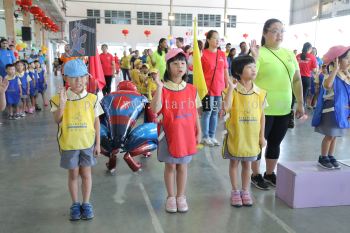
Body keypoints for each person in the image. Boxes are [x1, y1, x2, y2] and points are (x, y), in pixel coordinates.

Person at [249, 18, 304, 190]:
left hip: (284, 108)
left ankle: (270, 173)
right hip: (262, 109)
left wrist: (300, 103)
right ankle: (256, 174)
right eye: (274, 30)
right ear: (265, 33)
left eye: (281, 31)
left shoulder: (289, 54)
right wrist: (253, 58)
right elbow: (248, 77)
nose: (279, 34)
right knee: (258, 142)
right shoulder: (259, 53)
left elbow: (296, 80)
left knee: (275, 143)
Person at [50, 59, 103, 221]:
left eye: (81, 77)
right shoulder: (58, 98)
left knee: (86, 174)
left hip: (87, 143)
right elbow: (57, 120)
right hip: (69, 144)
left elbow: (96, 122)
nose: (78, 80)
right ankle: (75, 203)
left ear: (87, 78)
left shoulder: (92, 99)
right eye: (73, 77)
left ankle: (86, 203)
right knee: (73, 174)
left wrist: (98, 144)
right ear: (66, 79)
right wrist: (63, 105)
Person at [150, 48, 201, 213]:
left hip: (186, 135)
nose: (180, 66)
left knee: (183, 167)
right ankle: (171, 197)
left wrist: (198, 131)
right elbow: (155, 109)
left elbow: (195, 113)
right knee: (170, 166)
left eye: (183, 63)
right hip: (168, 135)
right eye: (175, 63)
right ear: (168, 66)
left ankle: (181, 196)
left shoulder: (192, 90)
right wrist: (158, 87)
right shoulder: (163, 88)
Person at [223, 55, 267, 207]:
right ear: (238, 71)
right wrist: (230, 88)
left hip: (252, 137)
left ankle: (245, 190)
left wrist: (262, 137)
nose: (254, 70)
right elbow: (226, 108)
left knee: (248, 165)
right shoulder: (232, 91)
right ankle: (235, 191)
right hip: (236, 136)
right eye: (249, 67)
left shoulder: (260, 92)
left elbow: (262, 116)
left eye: (254, 67)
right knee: (234, 163)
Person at [312, 45, 350, 169]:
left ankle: (330, 155)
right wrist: (335, 69)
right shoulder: (330, 74)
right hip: (331, 109)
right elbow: (327, 85)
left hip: (342, 109)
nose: (349, 61)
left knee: (335, 135)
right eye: (347, 59)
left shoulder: (346, 75)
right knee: (329, 134)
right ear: (337, 60)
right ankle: (323, 157)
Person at [201, 30, 229, 146]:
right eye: (215, 38)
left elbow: (225, 71)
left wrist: (227, 87)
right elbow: (198, 72)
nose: (218, 41)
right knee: (207, 112)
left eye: (219, 39)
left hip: (219, 89)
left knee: (215, 112)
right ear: (208, 40)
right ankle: (205, 136)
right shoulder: (202, 54)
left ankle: (212, 136)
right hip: (207, 89)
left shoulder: (222, 54)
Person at [296, 42, 318, 107]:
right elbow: (314, 70)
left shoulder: (297, 56)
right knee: (304, 95)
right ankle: (301, 111)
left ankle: (291, 110)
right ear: (310, 49)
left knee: (295, 94)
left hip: (297, 77)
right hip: (306, 78)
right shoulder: (312, 57)